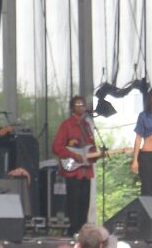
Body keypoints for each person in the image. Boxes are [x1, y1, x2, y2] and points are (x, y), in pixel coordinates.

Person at [52, 95, 99, 237]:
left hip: (86, 171)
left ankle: (83, 233)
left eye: (82, 104)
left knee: (85, 202)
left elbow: (91, 148)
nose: (80, 106)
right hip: (73, 170)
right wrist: (73, 155)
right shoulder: (66, 125)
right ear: (72, 108)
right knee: (74, 202)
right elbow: (56, 147)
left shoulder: (88, 126)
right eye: (77, 104)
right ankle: (73, 231)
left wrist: (96, 154)